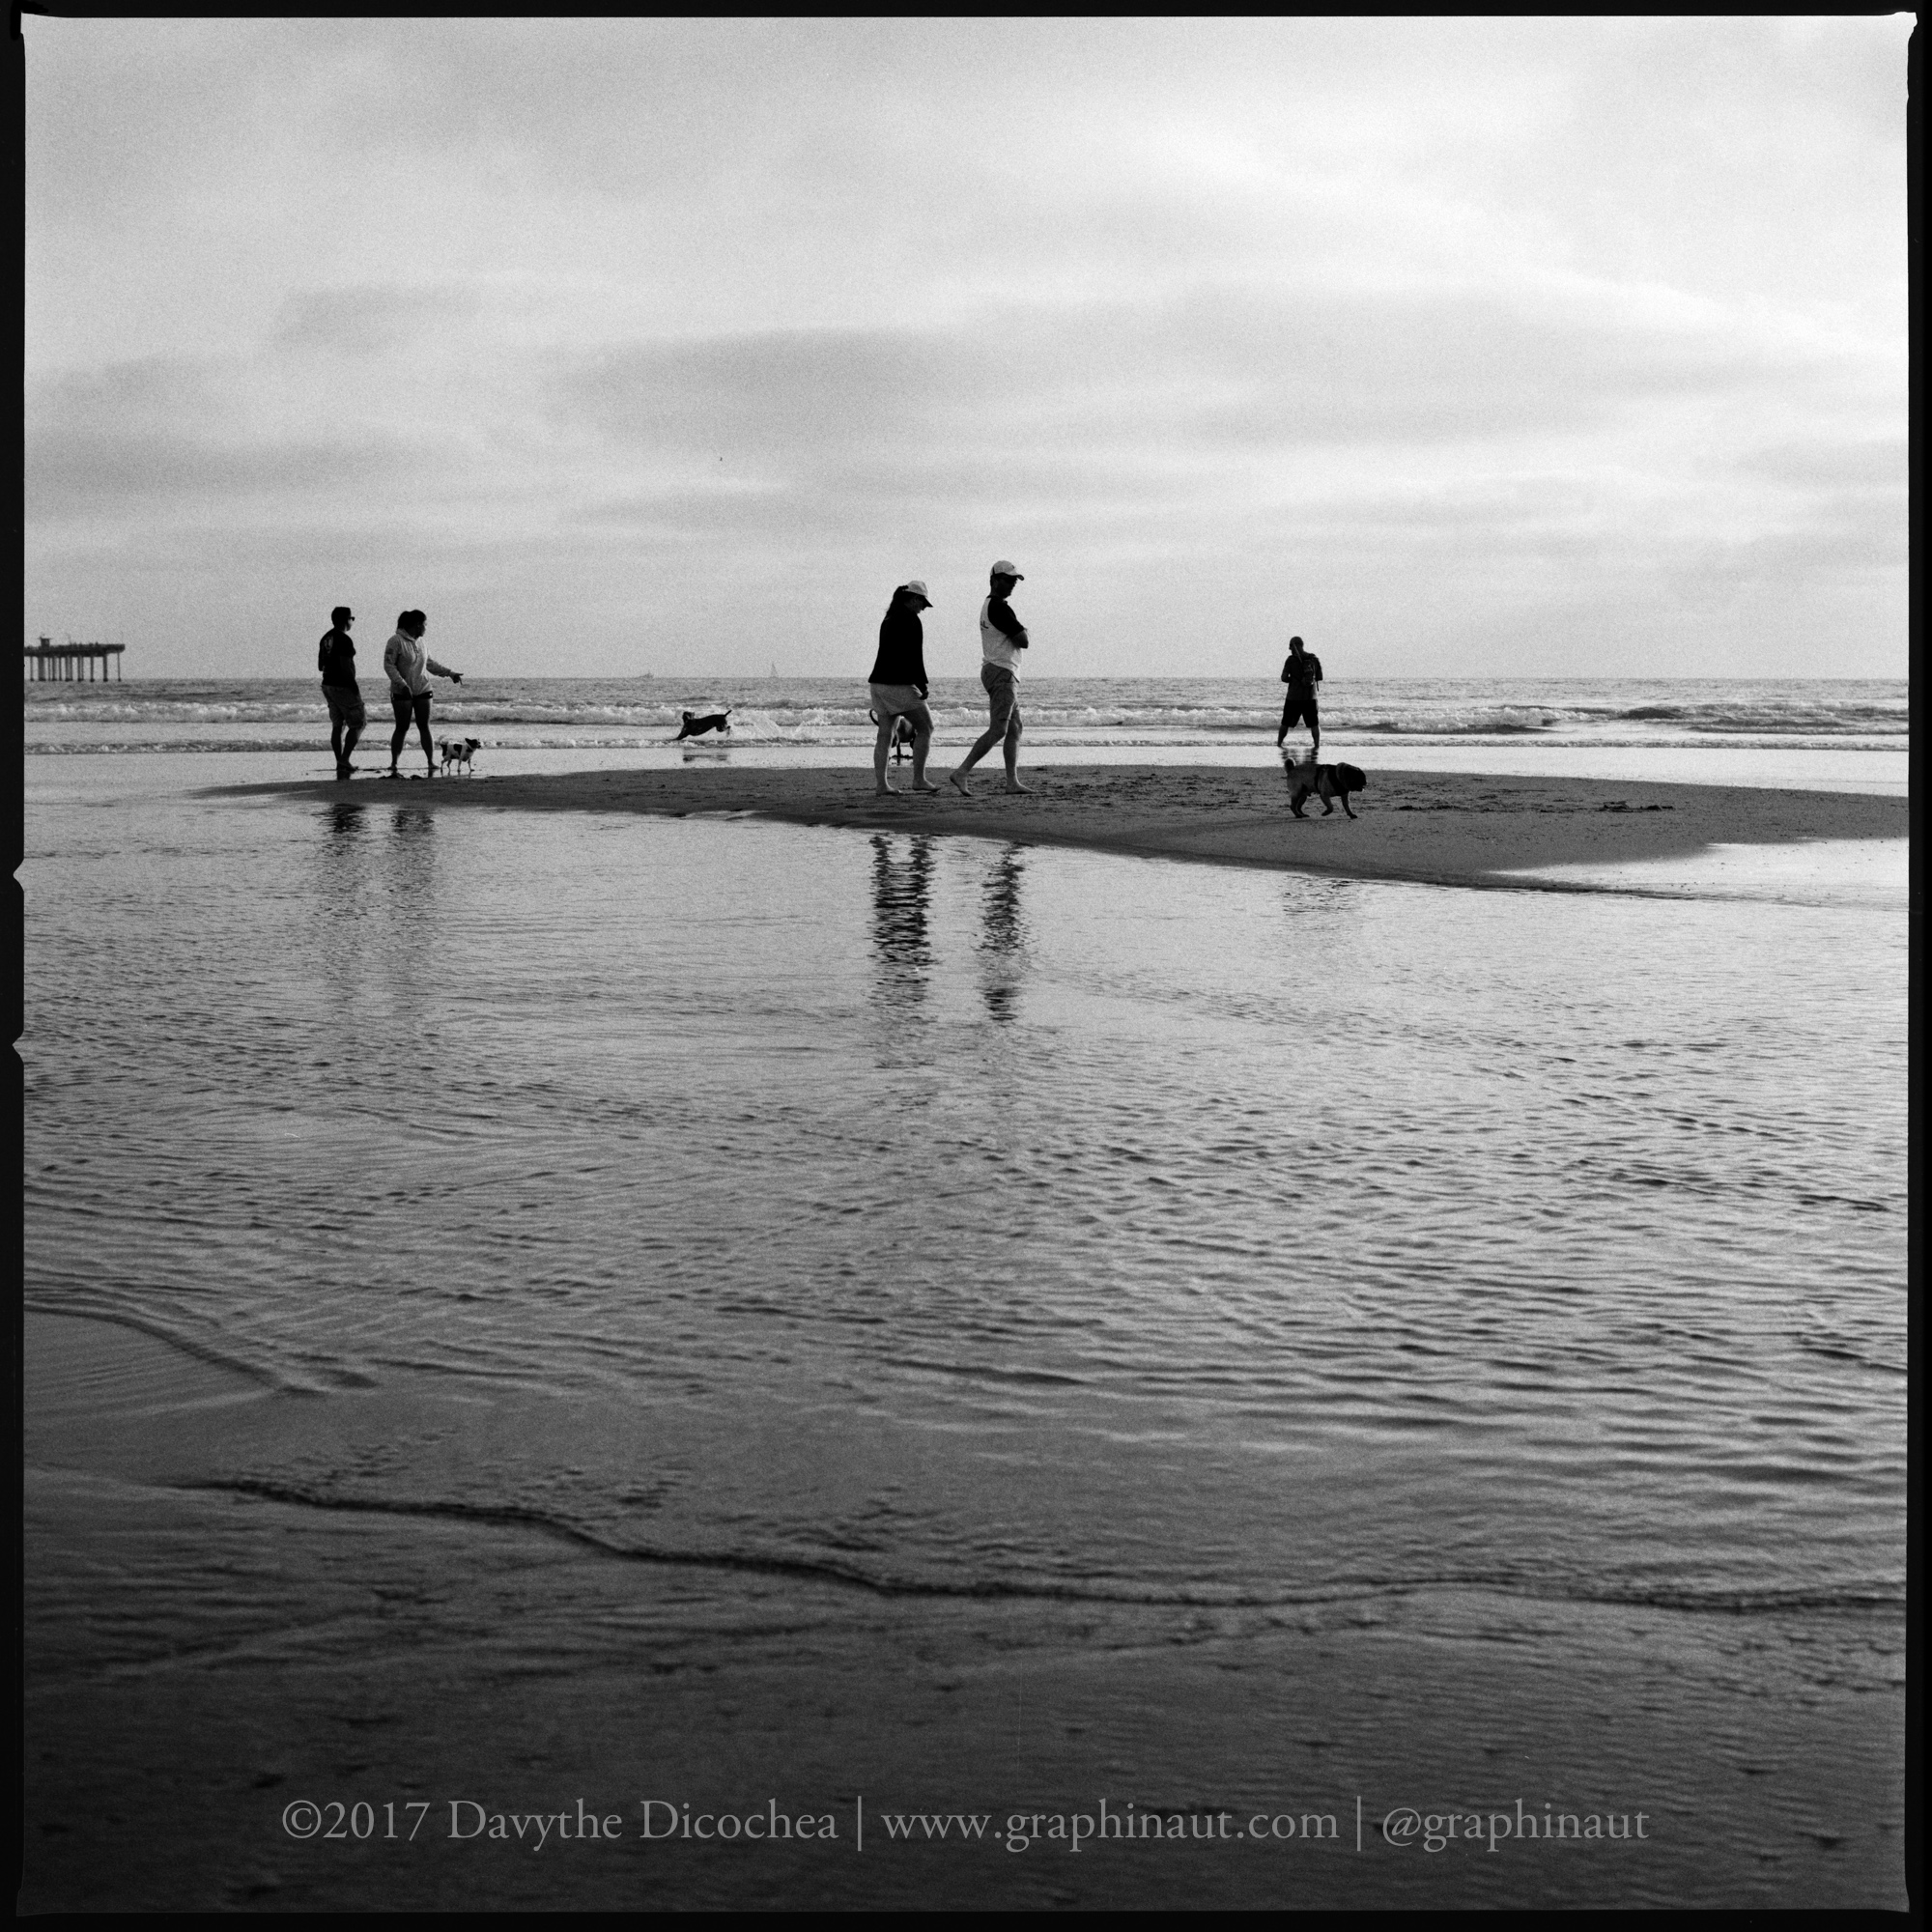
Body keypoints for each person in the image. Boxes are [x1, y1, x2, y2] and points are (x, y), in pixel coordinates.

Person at [950, 560, 1031, 796]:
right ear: (995, 580)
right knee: (999, 729)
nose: (1013, 584)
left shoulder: (990, 605)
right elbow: (1023, 640)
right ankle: (962, 771)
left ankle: (1011, 782)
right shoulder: (998, 607)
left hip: (998, 670)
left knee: (1015, 727)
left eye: (1015, 580)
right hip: (1002, 672)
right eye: (1008, 579)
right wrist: (1024, 631)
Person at [868, 582, 939, 795]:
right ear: (914, 599)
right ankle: (918, 779)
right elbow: (914, 656)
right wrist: (922, 684)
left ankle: (882, 785)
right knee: (926, 728)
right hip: (898, 685)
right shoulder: (911, 620)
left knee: (885, 735)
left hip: (878, 684)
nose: (924, 608)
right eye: (923, 603)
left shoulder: (888, 619)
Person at [383, 611, 463, 777]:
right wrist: (402, 684)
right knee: (402, 727)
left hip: (423, 688)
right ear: (418, 624)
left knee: (424, 725)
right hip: (402, 690)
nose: (426, 627)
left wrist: (450, 673)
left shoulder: (422, 643)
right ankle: (394, 763)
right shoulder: (395, 641)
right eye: (425, 624)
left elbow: (430, 664)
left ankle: (430, 761)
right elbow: (389, 665)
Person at [317, 605, 365, 779]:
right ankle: (344, 759)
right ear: (346, 620)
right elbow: (345, 666)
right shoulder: (344, 640)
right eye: (352, 618)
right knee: (359, 722)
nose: (352, 621)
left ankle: (340, 761)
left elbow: (320, 665)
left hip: (327, 684)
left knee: (338, 725)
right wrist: (353, 685)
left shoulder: (325, 638)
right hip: (342, 685)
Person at [1277, 635, 1323, 755]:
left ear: (1295, 646)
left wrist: (1293, 679)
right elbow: (1320, 677)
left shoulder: (1291, 660)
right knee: (1314, 724)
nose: (1290, 650)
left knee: (1285, 723)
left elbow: (1283, 678)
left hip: (1294, 697)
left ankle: (1278, 744)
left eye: (1291, 647)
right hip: (1310, 697)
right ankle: (1317, 746)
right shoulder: (1314, 659)